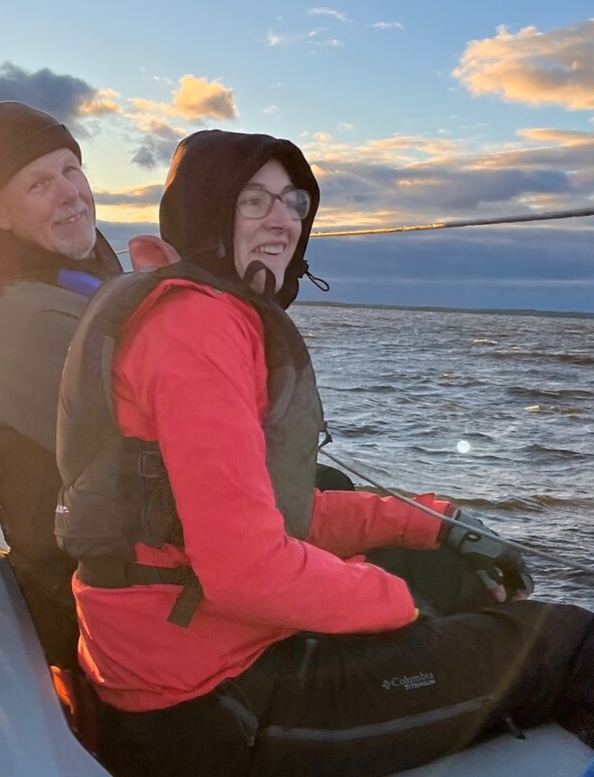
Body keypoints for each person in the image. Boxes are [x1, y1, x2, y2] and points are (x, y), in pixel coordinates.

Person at [55, 129, 594, 776]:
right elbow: (245, 568)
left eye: (294, 203)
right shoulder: (199, 328)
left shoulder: (182, 312)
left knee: (437, 592)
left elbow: (282, 516)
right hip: (212, 707)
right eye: (254, 201)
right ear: (207, 211)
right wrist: (397, 604)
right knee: (570, 643)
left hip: (167, 668)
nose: (282, 220)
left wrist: (431, 521)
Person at [0, 101, 122, 669]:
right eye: (39, 183)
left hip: (126, 572)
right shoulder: (21, 316)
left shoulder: (65, 282)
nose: (69, 193)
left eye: (71, 170)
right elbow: (147, 460)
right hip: (99, 606)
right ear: (0, 215)